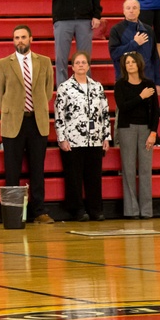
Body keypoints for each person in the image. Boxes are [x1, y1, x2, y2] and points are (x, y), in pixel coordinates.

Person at [0, 25, 55, 224]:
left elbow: (49, 91)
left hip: (37, 121)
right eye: (17, 37)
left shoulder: (44, 62)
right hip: (13, 122)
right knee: (12, 169)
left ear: (31, 39)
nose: (20, 40)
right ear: (13, 40)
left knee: (37, 169)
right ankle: (14, 212)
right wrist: (11, 110)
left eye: (23, 37)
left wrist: (36, 108)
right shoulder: (2, 64)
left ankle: (39, 211)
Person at [55, 51, 111, 221]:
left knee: (94, 177)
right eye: (77, 62)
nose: (81, 65)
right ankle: (77, 210)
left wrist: (106, 136)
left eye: (83, 62)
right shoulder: (64, 87)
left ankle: (95, 209)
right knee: (74, 177)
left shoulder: (97, 86)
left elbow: (105, 113)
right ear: (72, 67)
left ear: (88, 65)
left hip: (94, 139)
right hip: (73, 140)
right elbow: (59, 114)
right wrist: (61, 138)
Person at [114, 52, 159, 220]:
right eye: (127, 63)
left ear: (139, 64)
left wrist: (153, 133)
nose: (130, 65)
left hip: (146, 130)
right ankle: (131, 210)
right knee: (129, 169)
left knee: (146, 170)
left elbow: (155, 112)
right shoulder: (120, 85)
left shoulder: (149, 84)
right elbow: (123, 107)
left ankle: (146, 211)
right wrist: (141, 96)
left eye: (133, 62)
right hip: (127, 129)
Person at [108, 0, 160, 92]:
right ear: (123, 11)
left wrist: (158, 82)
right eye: (128, 8)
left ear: (139, 11)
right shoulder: (116, 30)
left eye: (134, 8)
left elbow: (155, 58)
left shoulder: (148, 30)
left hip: (147, 79)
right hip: (125, 80)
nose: (131, 11)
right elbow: (114, 54)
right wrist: (134, 43)